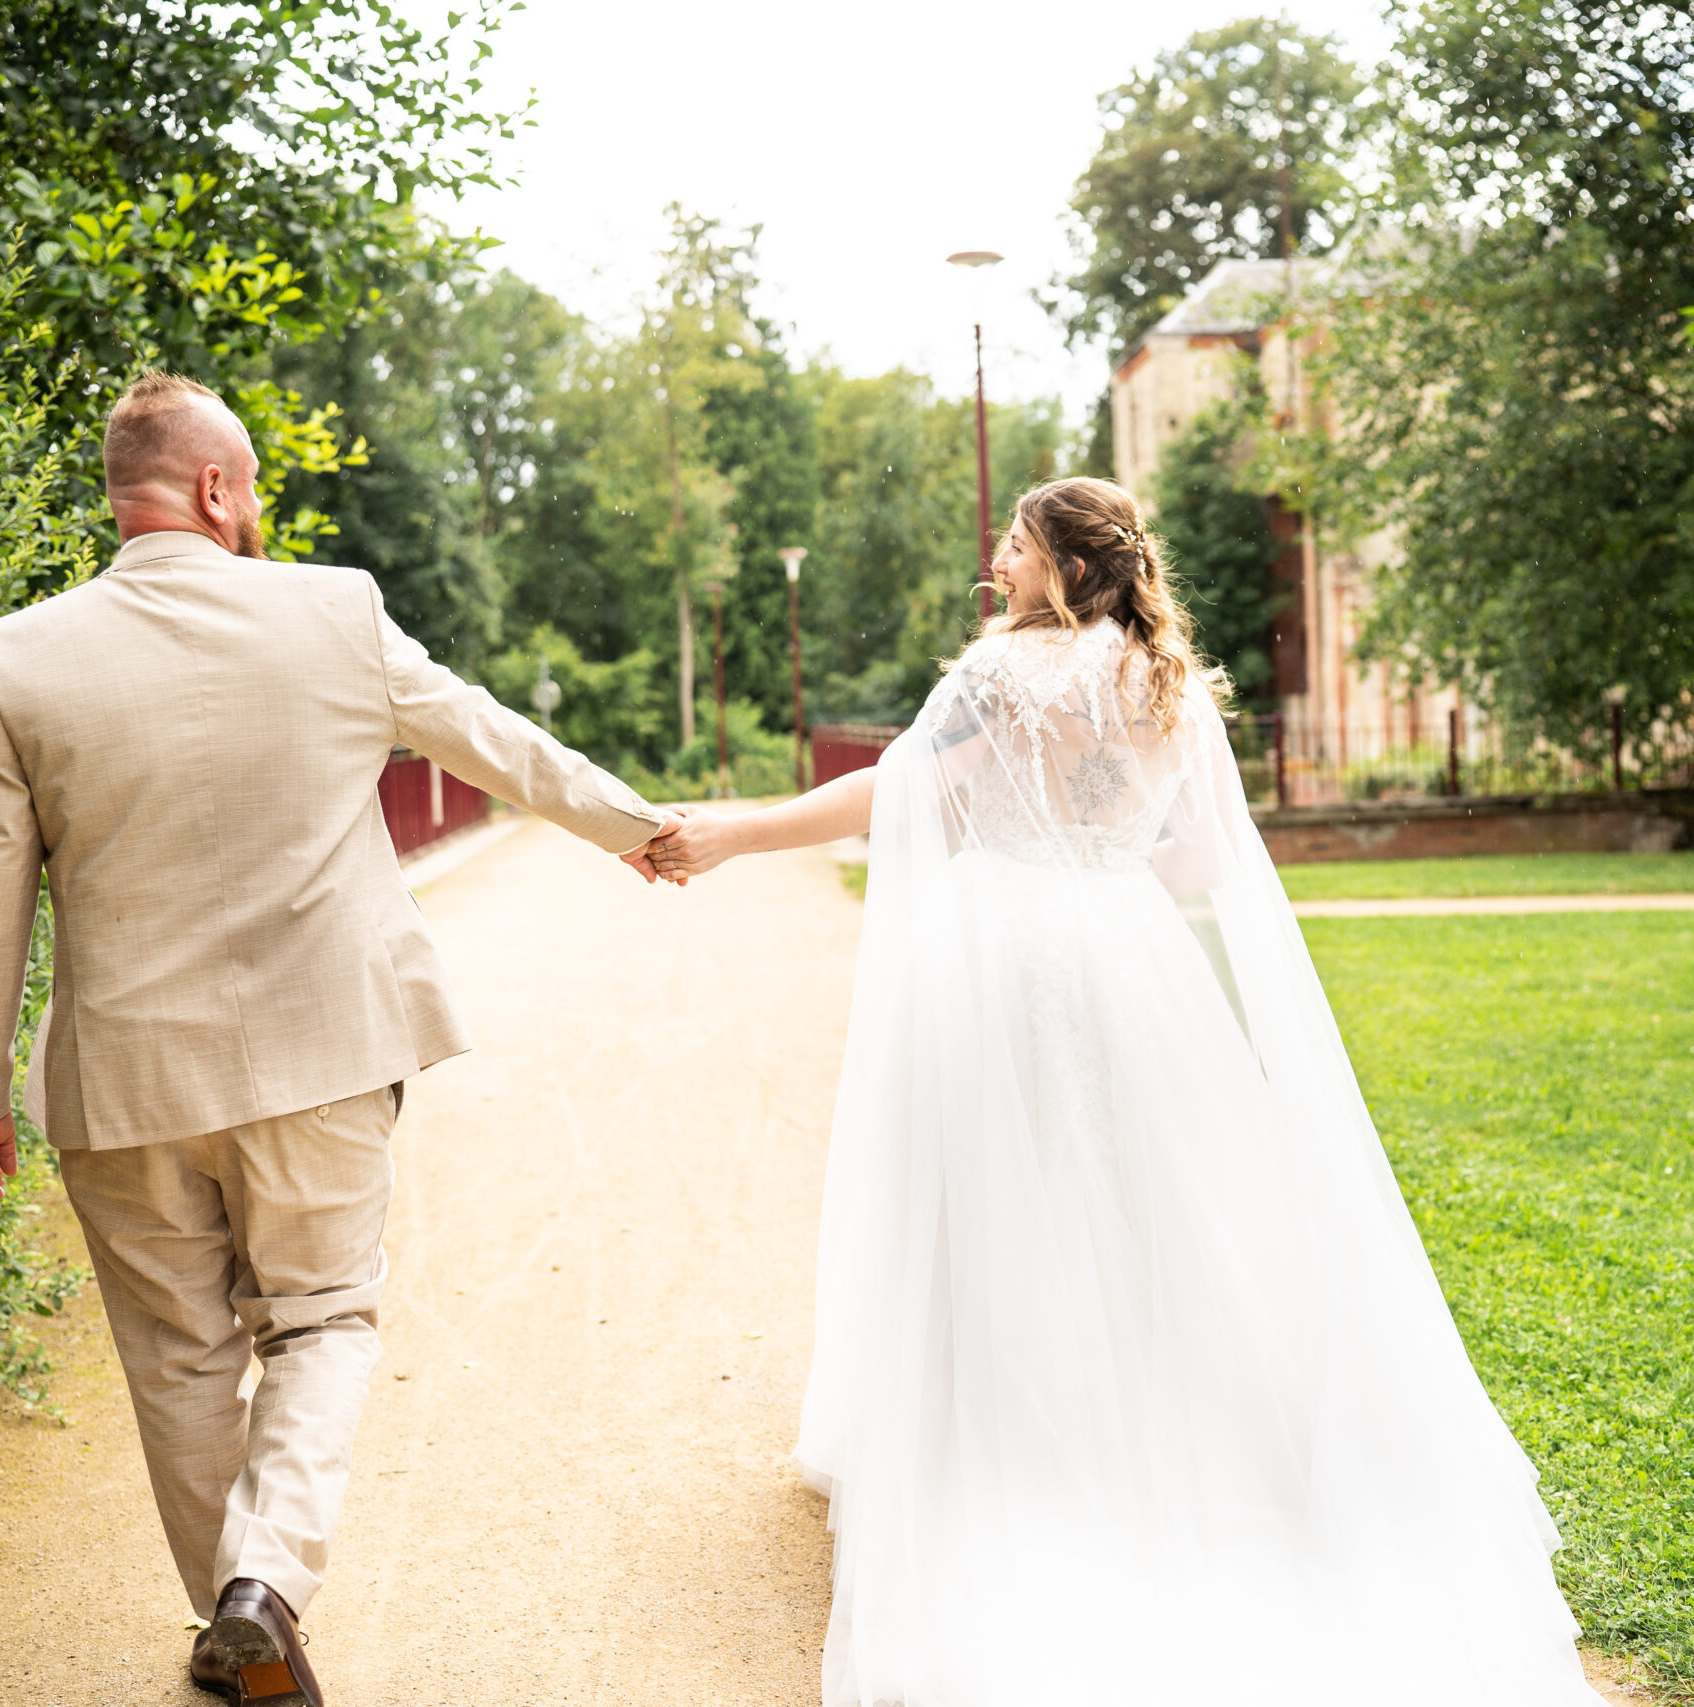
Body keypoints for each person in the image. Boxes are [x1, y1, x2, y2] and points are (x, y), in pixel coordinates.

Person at [643, 476, 1607, 1706]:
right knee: (1152, 1201)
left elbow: (900, 793)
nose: (998, 555)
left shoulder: (1000, 675)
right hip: (1126, 949)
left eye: (1016, 539)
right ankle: (1182, 1448)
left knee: (1001, 1194)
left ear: (1062, 563)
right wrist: (1094, 858)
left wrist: (730, 834)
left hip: (1008, 951)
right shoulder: (1172, 686)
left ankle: (1017, 1456)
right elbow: (1202, 857)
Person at [0, 372, 681, 1707]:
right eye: (255, 485)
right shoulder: (333, 611)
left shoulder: (21, 655)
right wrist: (639, 826)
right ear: (217, 488)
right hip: (324, 1052)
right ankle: (262, 1586)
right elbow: (485, 734)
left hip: (123, 1081)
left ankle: (235, 1617)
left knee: (178, 1360)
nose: (261, 507)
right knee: (325, 1316)